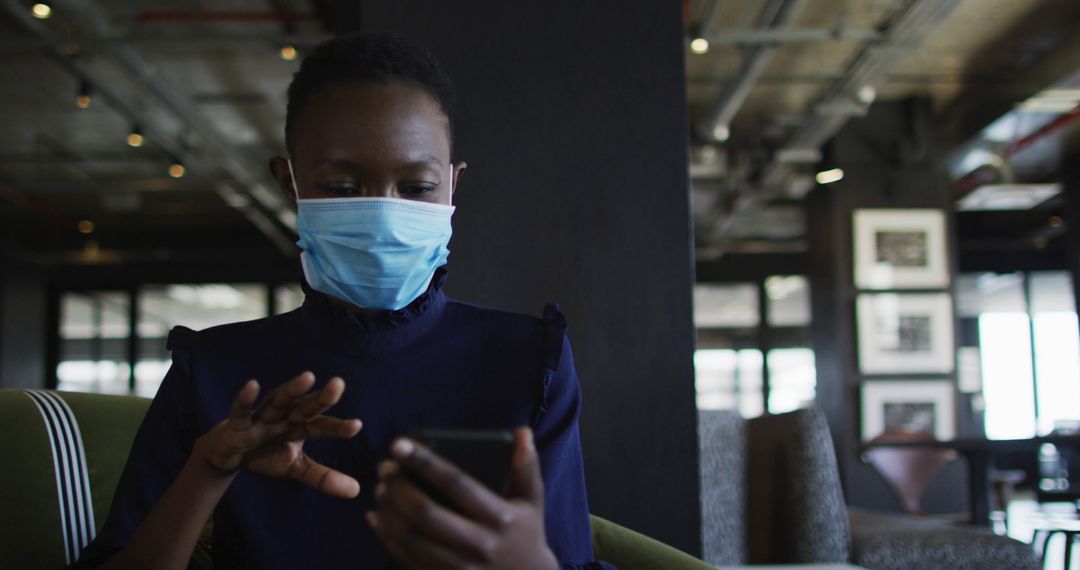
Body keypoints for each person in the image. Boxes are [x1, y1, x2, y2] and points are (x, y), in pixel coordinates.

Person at [74, 32, 612, 570]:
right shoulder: (213, 372)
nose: (382, 213)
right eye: (341, 186)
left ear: (453, 184)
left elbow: (567, 557)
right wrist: (207, 473)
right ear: (290, 183)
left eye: (418, 187)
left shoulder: (526, 362)